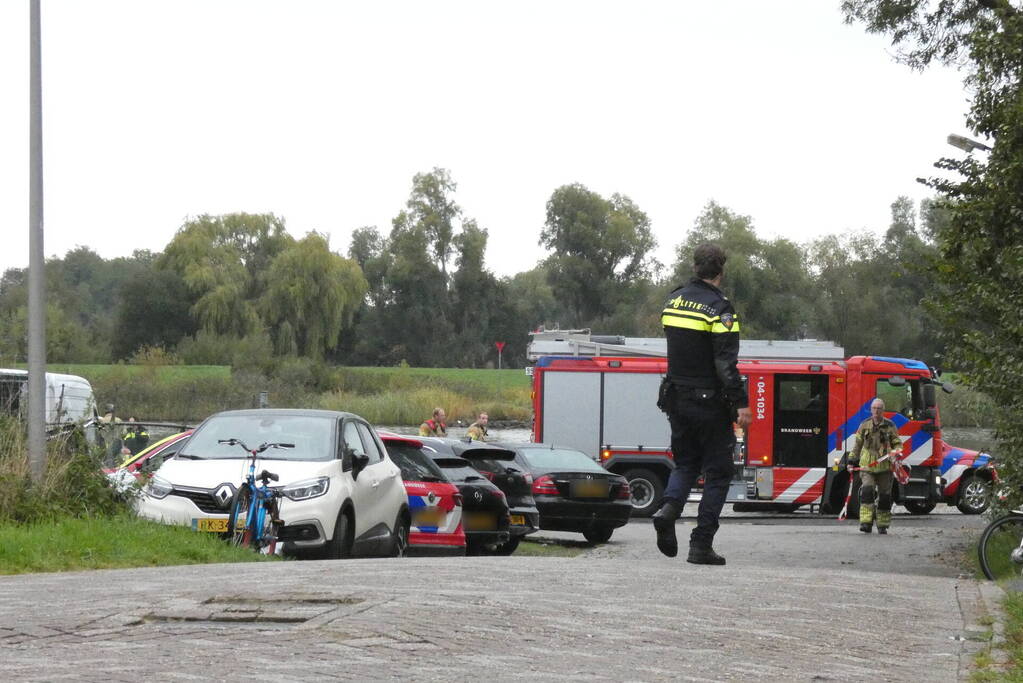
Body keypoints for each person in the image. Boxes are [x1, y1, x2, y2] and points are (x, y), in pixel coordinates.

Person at [652, 243, 752, 565]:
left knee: (685, 463)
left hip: (675, 398)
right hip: (708, 402)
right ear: (721, 271)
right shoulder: (720, 308)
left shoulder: (674, 300)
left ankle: (668, 510)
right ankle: (701, 544)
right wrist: (741, 403)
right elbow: (725, 364)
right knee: (719, 472)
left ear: (695, 267)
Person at [847, 398, 902, 534]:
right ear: (871, 410)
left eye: (879, 408)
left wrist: (896, 452)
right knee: (867, 491)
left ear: (883, 410)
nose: (876, 411)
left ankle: (882, 525)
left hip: (885, 467)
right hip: (867, 466)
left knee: (885, 496)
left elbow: (897, 443)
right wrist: (851, 461)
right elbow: (857, 445)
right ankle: (866, 523)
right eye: (874, 408)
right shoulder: (864, 425)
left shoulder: (890, 426)